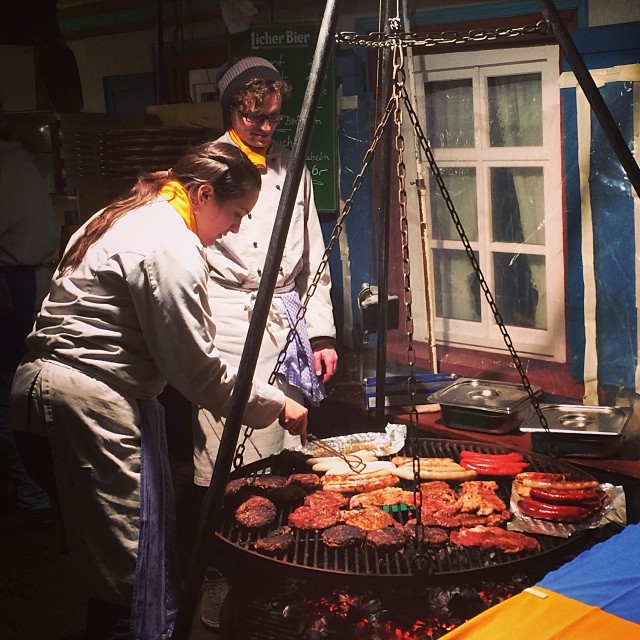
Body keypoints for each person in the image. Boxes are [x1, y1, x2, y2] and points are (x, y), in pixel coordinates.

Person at [9, 140, 308, 640]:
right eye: (235, 214)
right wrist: (276, 403)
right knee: (132, 575)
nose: (235, 228)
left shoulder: (125, 215)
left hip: (40, 398)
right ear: (204, 193)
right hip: (88, 407)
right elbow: (197, 371)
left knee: (111, 564)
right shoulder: (169, 245)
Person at [191, 56, 338, 632]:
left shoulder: (291, 168)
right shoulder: (206, 167)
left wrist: (320, 331)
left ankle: (278, 569)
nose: (264, 128)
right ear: (232, 110)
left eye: (274, 118)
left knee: (283, 450)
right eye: (254, 117)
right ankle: (217, 573)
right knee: (225, 452)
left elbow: (314, 255)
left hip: (283, 318)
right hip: (224, 318)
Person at [0, 107, 58, 533]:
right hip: (29, 278)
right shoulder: (21, 158)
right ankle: (39, 490)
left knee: (9, 391)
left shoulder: (7, 165)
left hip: (14, 286)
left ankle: (34, 494)